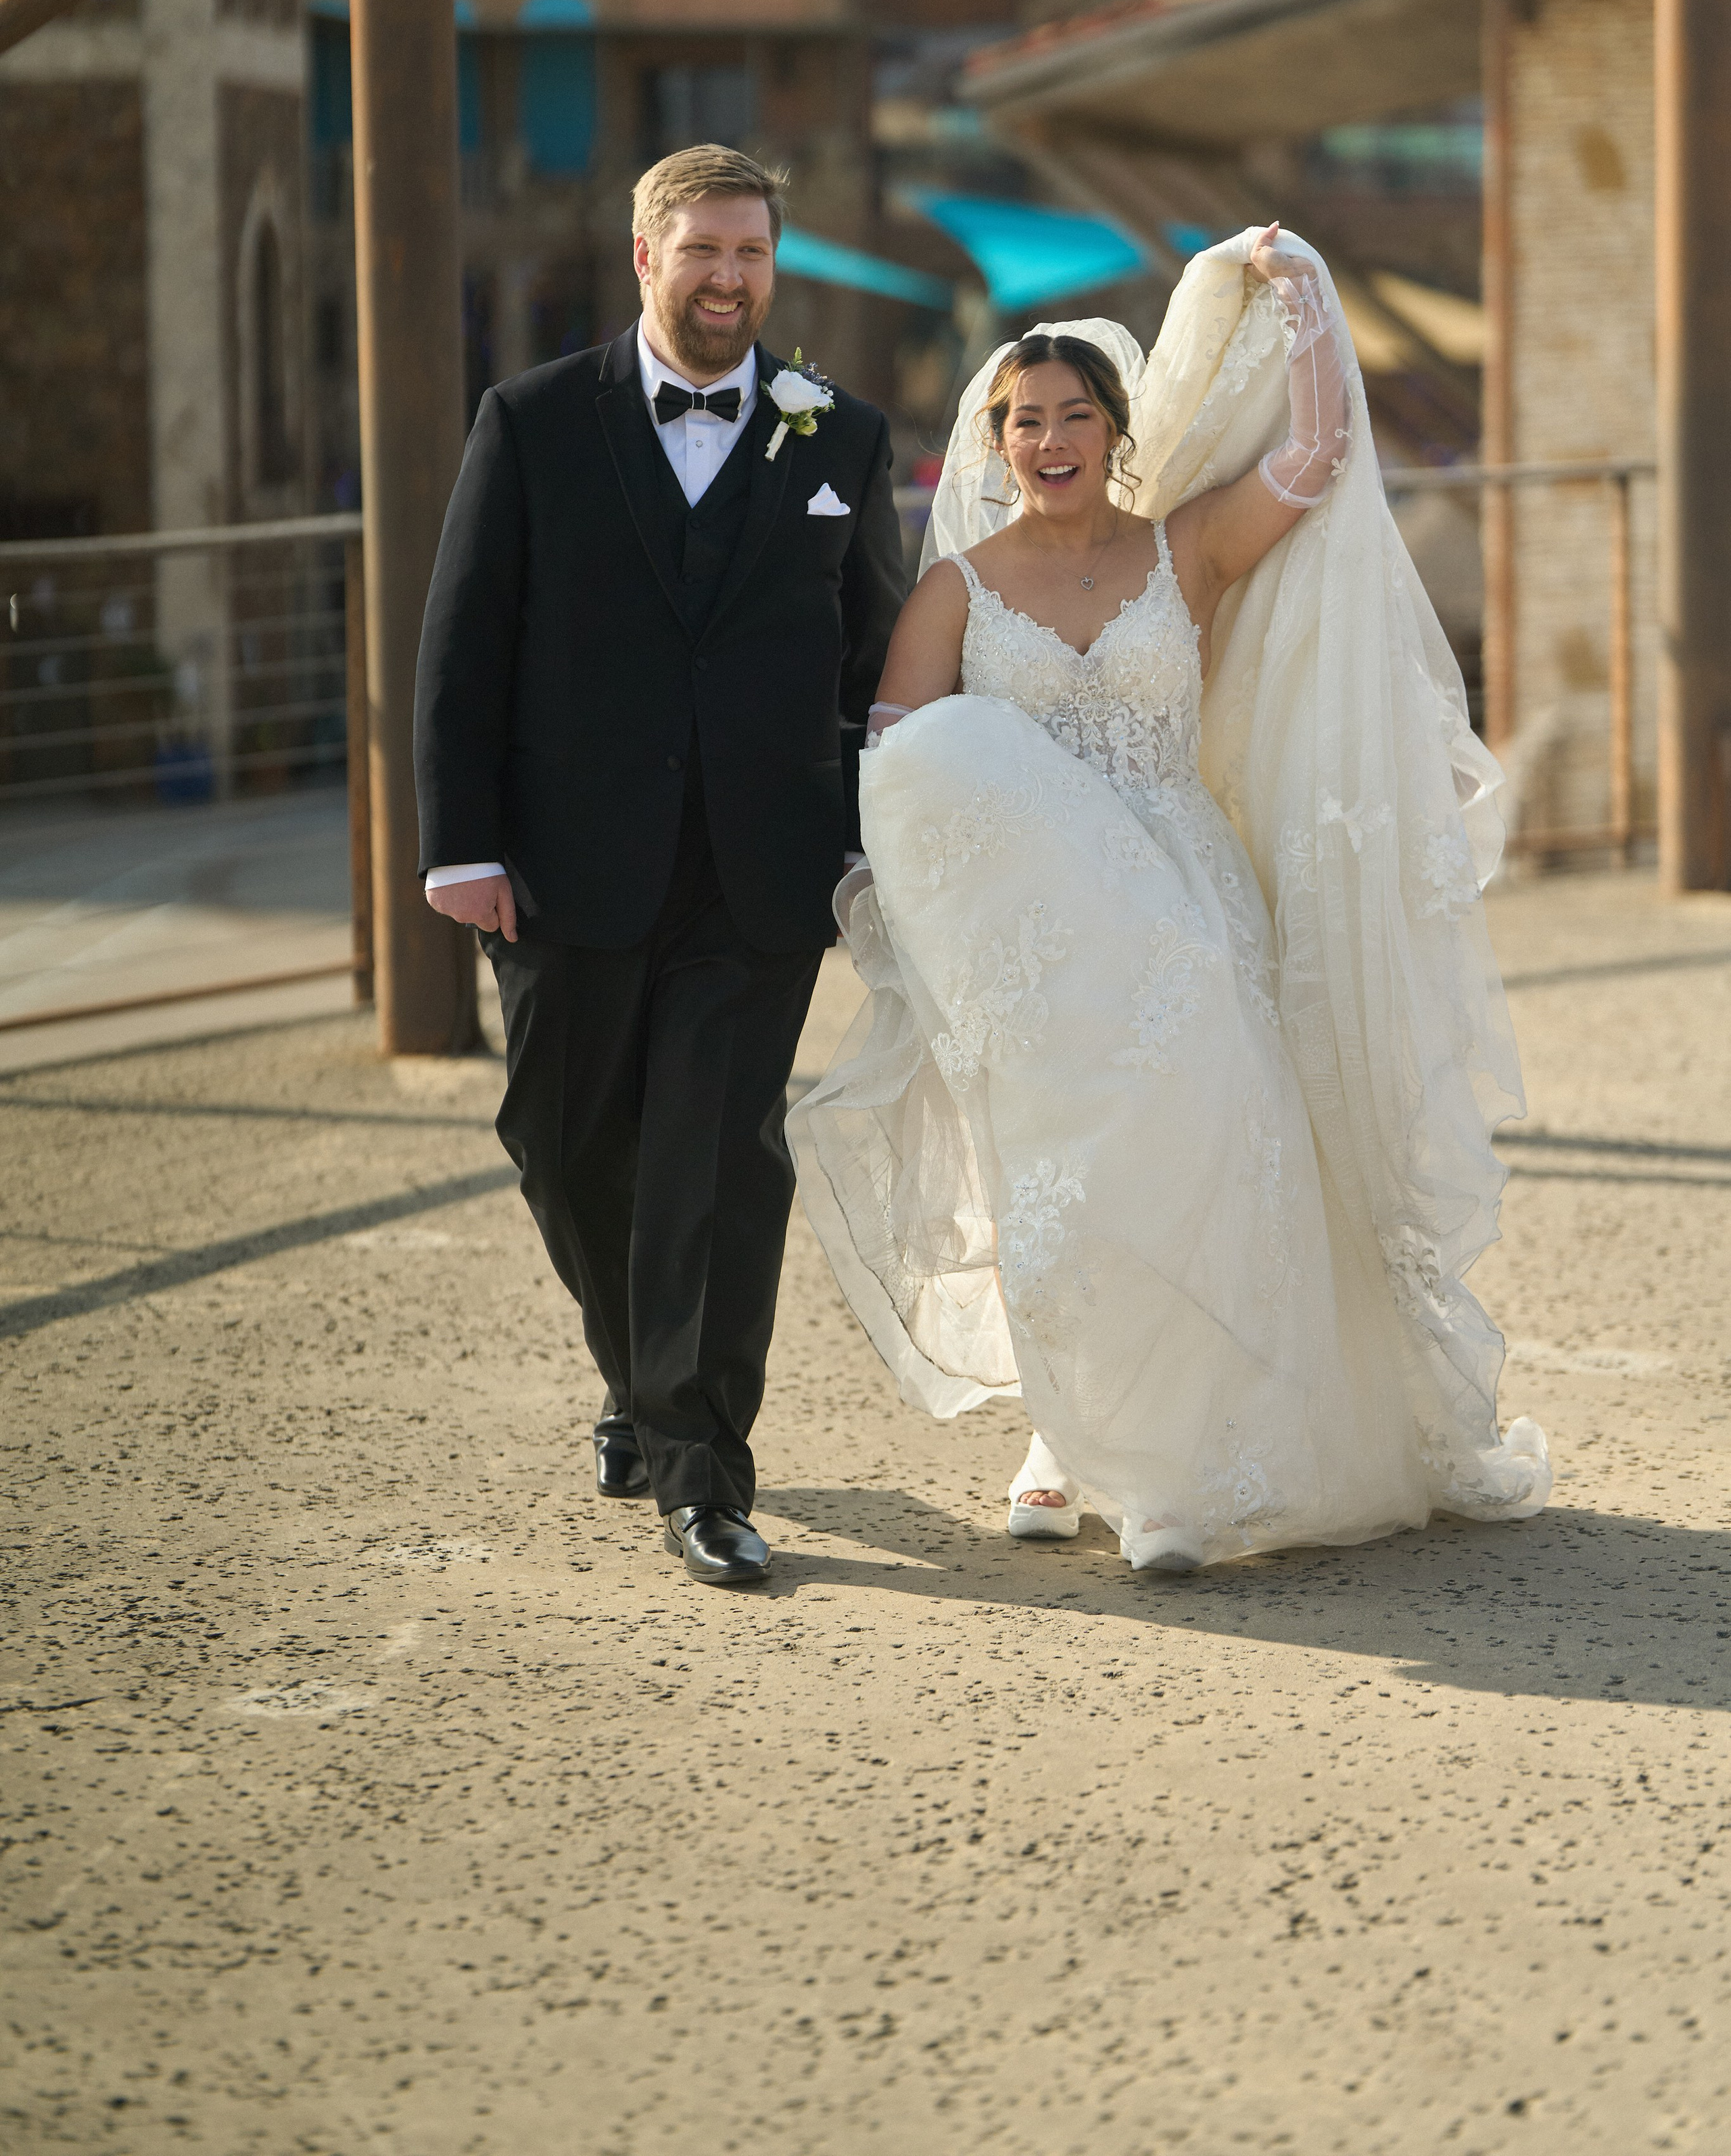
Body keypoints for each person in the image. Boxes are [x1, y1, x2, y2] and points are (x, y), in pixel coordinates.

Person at [790, 224, 1549, 1574]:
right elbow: (900, 757)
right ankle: (1064, 1437)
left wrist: (1302, 288)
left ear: (1113, 430)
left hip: (1188, 905)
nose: (1049, 436)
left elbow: (1311, 461)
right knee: (1055, 1174)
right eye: (1023, 419)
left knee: (1207, 1150)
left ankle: (1174, 1468)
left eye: (1075, 413)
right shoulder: (955, 589)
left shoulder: (1182, 549)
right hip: (1036, 934)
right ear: (993, 440)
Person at [414, 145, 904, 1586]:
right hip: (564, 860)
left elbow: (875, 661)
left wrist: (884, 838)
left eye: (751, 254)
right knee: (562, 1147)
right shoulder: (531, 421)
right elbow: (461, 644)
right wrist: (461, 844)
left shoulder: (839, 437)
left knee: (713, 1162)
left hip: (760, 871)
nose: (729, 280)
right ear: (643, 256)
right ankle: (636, 1376)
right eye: (703, 251)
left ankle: (702, 1466)